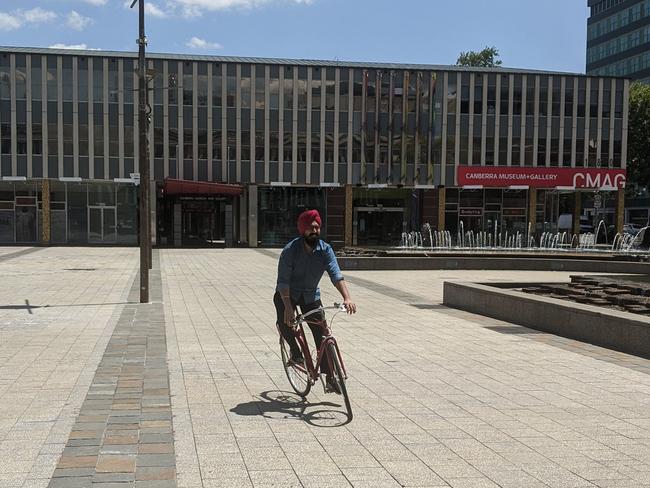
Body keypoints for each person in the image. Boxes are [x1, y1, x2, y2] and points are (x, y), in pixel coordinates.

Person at [274, 209, 356, 393]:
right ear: (303, 230)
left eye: (318, 227)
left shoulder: (325, 250)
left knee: (322, 334)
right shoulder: (290, 251)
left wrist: (347, 297)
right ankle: (295, 354)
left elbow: (336, 275)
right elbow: (283, 281)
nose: (315, 231)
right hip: (288, 294)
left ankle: (330, 378)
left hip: (311, 295)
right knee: (285, 322)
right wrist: (288, 307)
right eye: (311, 228)